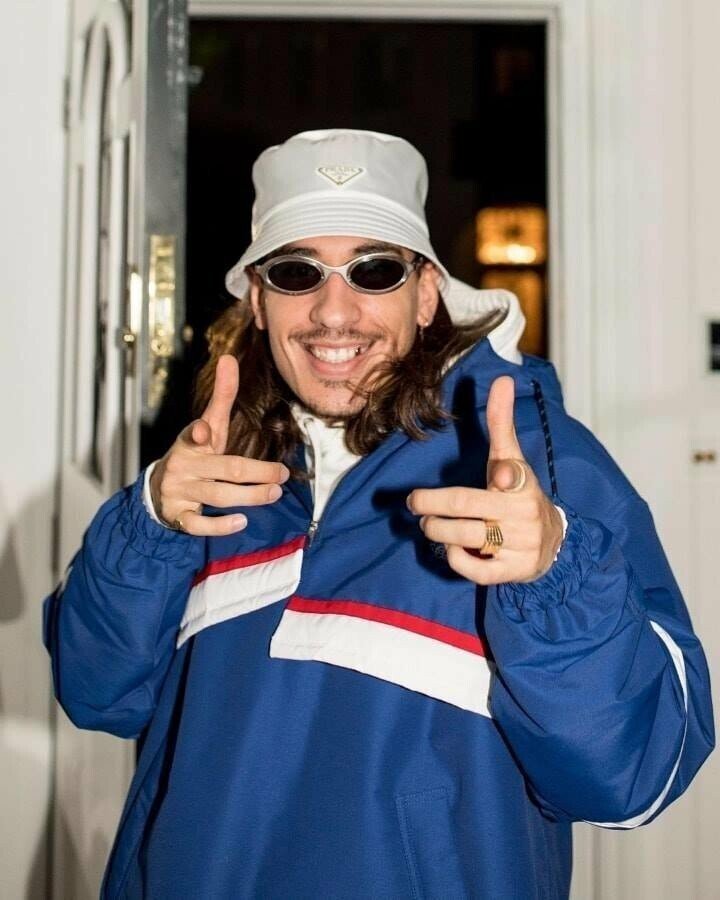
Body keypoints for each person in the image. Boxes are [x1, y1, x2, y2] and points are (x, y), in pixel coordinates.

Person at [44, 129, 714, 900]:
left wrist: (552, 574)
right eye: (297, 272)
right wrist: (149, 521)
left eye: (374, 270)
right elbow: (97, 693)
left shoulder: (532, 466)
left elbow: (635, 777)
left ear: (426, 294)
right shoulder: (212, 471)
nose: (334, 312)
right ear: (257, 299)